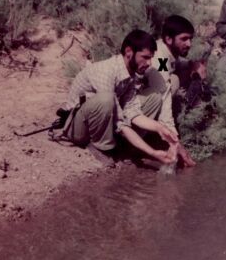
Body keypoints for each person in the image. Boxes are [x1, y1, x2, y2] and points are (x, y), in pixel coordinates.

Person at [63, 30, 178, 167]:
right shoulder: (107, 71)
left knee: (155, 96)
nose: (150, 63)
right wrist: (153, 151)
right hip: (78, 127)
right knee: (107, 98)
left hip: (107, 116)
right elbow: (120, 122)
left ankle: (126, 145)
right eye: (145, 57)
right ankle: (101, 147)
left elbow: (132, 112)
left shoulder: (135, 71)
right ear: (128, 52)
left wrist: (161, 128)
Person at [142, 15, 197, 167]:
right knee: (172, 82)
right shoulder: (160, 59)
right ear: (168, 39)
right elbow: (164, 98)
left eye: (190, 39)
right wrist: (175, 142)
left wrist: (193, 65)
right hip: (132, 108)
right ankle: (145, 138)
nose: (189, 44)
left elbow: (177, 63)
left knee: (175, 78)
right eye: (184, 39)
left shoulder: (164, 50)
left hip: (143, 99)